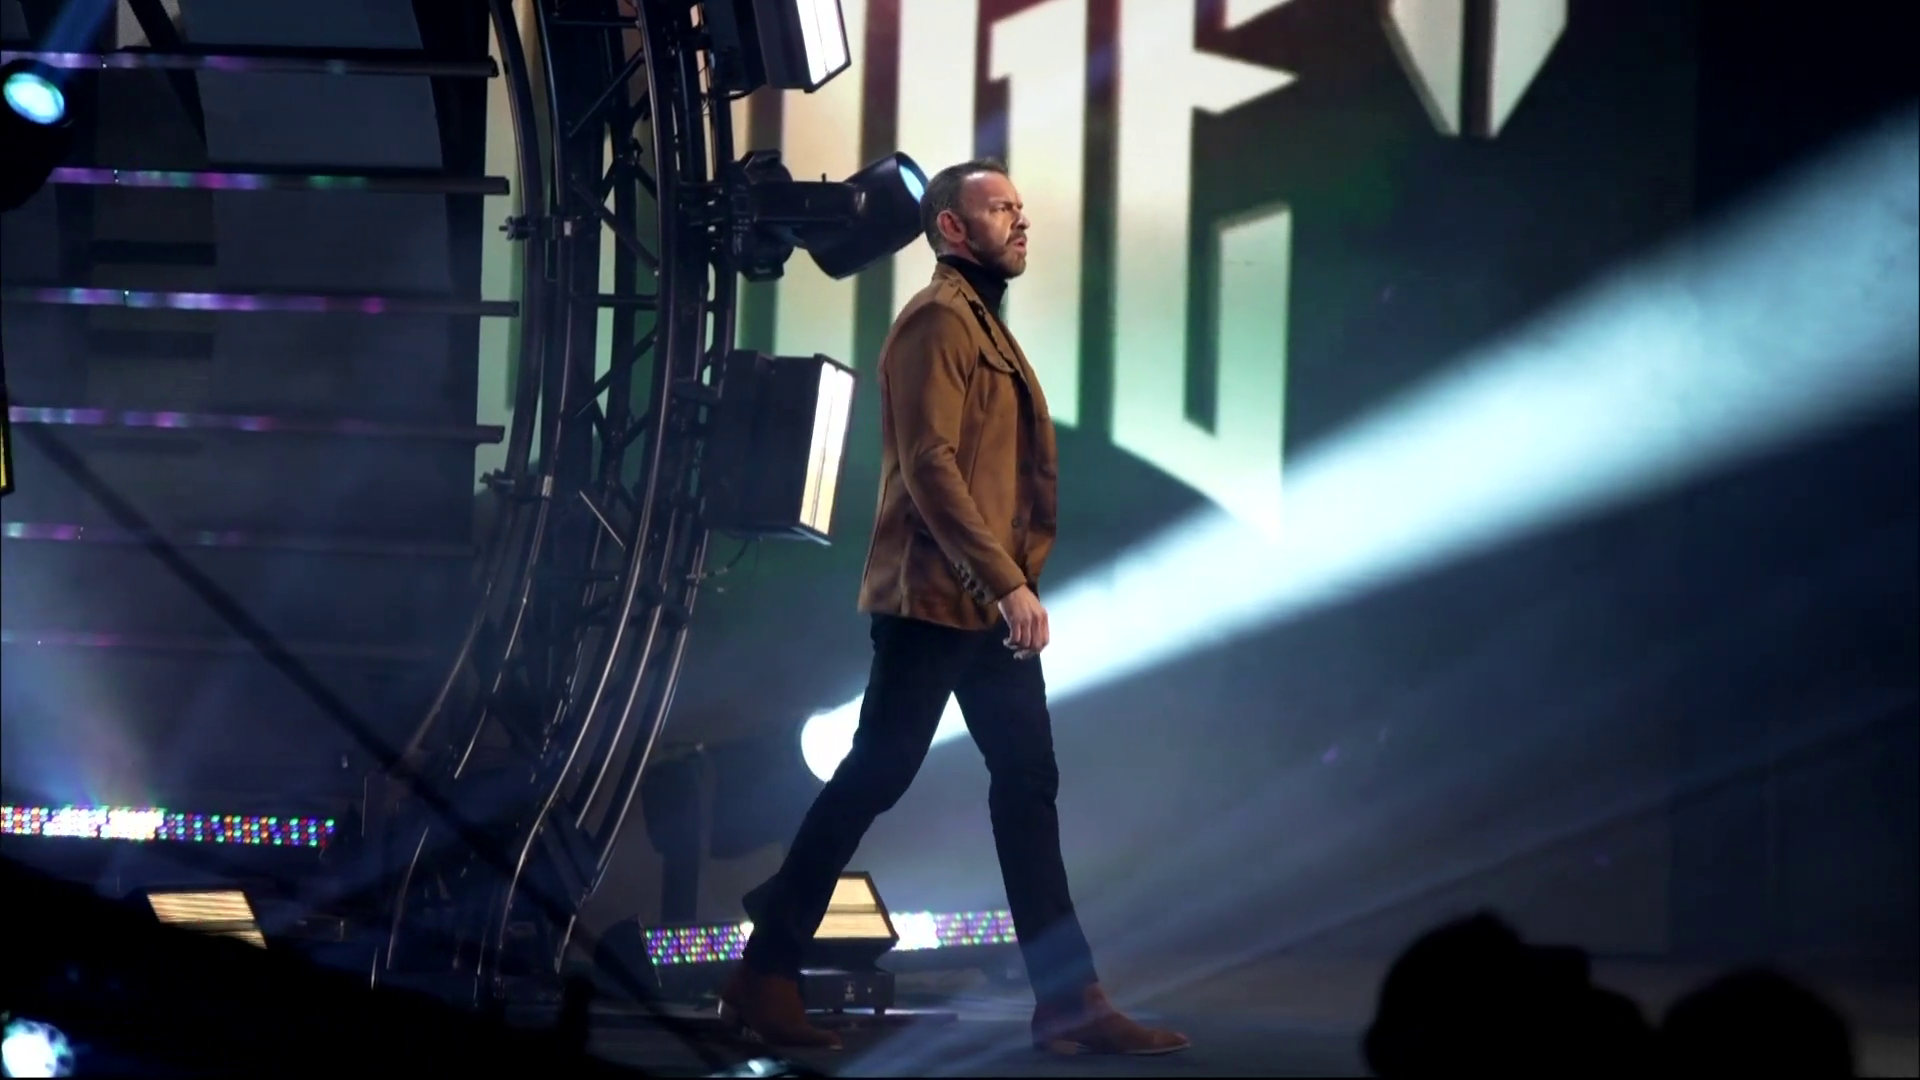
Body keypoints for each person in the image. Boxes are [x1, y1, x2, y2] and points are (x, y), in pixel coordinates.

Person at [717, 159, 1189, 1057]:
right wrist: (1005, 582)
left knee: (1026, 783)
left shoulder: (980, 322)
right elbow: (930, 466)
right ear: (951, 229)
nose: (1021, 220)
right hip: (936, 599)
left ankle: (1069, 998)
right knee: (877, 774)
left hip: (978, 605)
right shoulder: (938, 321)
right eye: (1000, 208)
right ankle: (764, 972)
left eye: (1021, 206)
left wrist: (1006, 583)